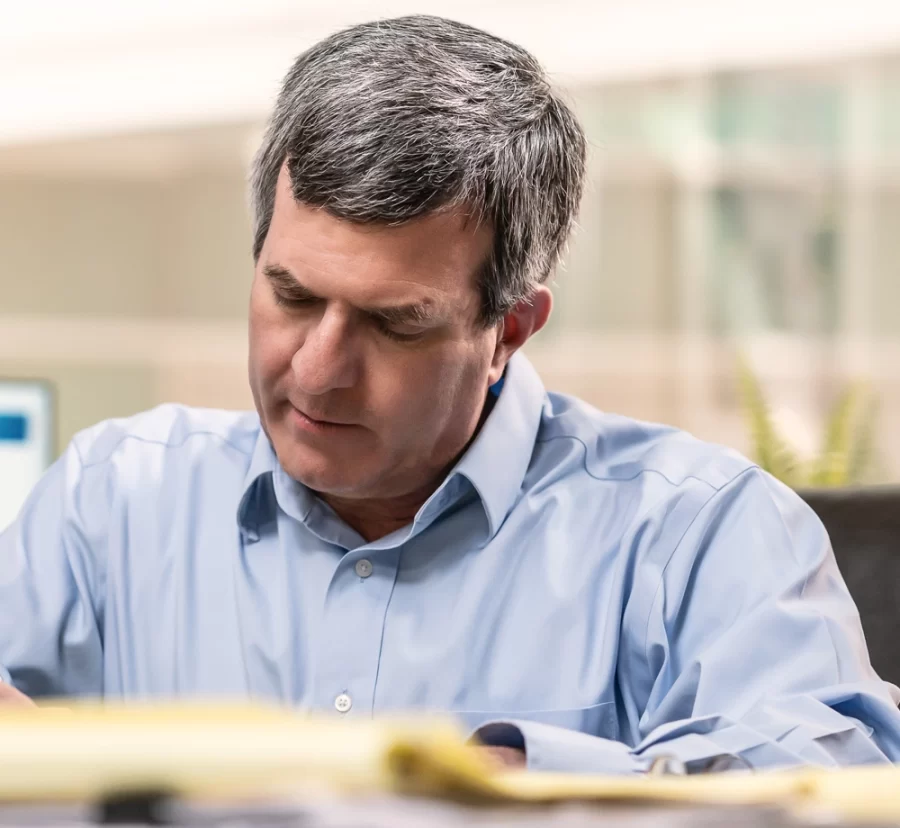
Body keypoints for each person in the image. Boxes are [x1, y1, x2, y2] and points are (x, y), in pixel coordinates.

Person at [1, 15, 899, 775]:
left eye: (394, 324)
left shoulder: (697, 532)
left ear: (509, 329)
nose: (317, 369)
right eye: (292, 295)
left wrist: (494, 782)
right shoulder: (113, 503)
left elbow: (836, 778)